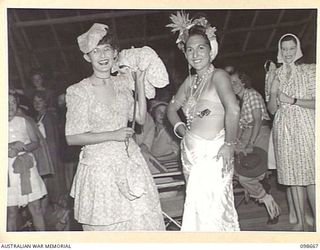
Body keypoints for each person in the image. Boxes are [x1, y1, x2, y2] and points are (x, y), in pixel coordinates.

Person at [65, 23, 164, 231]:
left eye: (106, 49)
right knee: (109, 227)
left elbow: (139, 119)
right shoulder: (78, 91)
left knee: (139, 223)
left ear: (115, 53)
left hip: (128, 162)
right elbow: (72, 137)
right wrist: (114, 134)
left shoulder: (121, 83)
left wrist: (138, 82)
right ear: (87, 57)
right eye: (95, 51)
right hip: (99, 169)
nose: (102, 55)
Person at [166, 12, 240, 231]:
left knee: (216, 211)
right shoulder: (190, 82)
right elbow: (171, 109)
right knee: (197, 211)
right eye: (189, 49)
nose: (195, 53)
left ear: (211, 50)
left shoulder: (219, 76)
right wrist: (180, 128)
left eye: (200, 48)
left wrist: (229, 144)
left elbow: (234, 109)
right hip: (190, 155)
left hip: (214, 154)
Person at [267, 34, 315, 231]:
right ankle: (302, 222)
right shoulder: (275, 75)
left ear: (298, 49)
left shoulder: (310, 70)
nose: (287, 53)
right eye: (284, 49)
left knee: (312, 176)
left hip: (306, 127)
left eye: (291, 48)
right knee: (292, 177)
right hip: (283, 130)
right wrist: (273, 92)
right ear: (280, 50)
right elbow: (271, 110)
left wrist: (293, 100)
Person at [230, 70, 280, 223]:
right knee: (234, 169)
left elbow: (257, 120)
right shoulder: (239, 101)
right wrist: (235, 143)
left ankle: (265, 197)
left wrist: (251, 143)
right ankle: (262, 189)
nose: (232, 85)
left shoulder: (251, 94)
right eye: (230, 83)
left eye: (235, 82)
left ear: (243, 82)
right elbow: (239, 126)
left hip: (259, 134)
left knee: (247, 175)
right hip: (247, 134)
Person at [8, 93, 47, 231]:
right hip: (7, 172)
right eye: (6, 102)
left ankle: (44, 243)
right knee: (11, 212)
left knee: (36, 208)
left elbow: (35, 143)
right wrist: (9, 146)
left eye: (12, 102)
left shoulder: (23, 121)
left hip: (27, 168)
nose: (9, 106)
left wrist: (21, 147)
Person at [32, 92, 67, 207]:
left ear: (45, 103)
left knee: (54, 184)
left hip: (50, 155)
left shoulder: (48, 117)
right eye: (35, 101)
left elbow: (52, 140)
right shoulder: (38, 117)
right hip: (42, 155)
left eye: (40, 101)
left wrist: (51, 160)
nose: (37, 104)